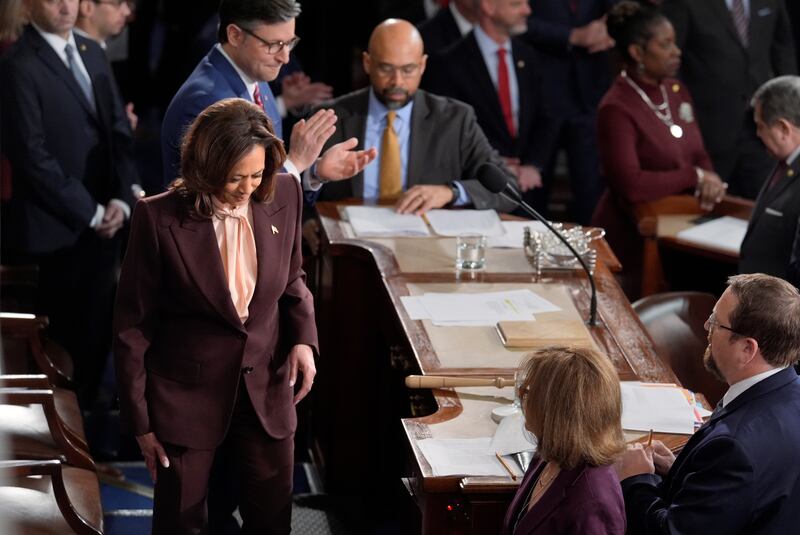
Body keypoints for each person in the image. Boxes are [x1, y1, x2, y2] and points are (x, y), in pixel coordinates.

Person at [114, 98, 317, 534]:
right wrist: (140, 422)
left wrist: (303, 339)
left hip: (266, 387)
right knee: (183, 523)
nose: (249, 188)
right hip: (184, 399)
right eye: (235, 178)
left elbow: (293, 278)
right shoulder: (157, 217)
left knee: (272, 520)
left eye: (257, 174)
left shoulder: (285, 193)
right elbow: (133, 327)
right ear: (205, 168)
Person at [0, 0, 138, 406]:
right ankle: (70, 448)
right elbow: (31, 157)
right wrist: (92, 211)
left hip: (106, 225)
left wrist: (121, 199)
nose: (65, 5)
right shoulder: (17, 66)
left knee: (99, 339)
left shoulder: (92, 51)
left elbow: (119, 132)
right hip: (56, 235)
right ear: (28, 5)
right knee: (64, 352)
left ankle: (93, 443)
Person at [618, 273, 800, 533]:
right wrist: (681, 472)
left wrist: (635, 479)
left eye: (716, 322)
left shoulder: (734, 448)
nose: (705, 325)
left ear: (747, 349)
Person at [161, 0, 376, 190]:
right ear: (235, 35)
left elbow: (267, 175)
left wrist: (315, 171)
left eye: (290, 43)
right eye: (274, 45)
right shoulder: (208, 101)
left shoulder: (254, 77)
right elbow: (237, 200)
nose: (285, 58)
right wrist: (296, 162)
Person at [313, 18, 516, 215]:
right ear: (367, 63)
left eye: (408, 69)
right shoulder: (330, 118)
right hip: (348, 244)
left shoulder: (455, 120)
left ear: (422, 65)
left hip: (425, 244)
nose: (397, 81)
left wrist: (451, 192)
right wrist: (306, 222)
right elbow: (294, 184)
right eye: (386, 68)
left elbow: (508, 190)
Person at [591, 1, 727, 296]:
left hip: (681, 228)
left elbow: (699, 152)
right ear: (637, 52)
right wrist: (694, 177)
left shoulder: (676, 90)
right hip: (632, 239)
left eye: (675, 42)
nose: (676, 51)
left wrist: (709, 181)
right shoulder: (616, 107)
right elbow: (631, 185)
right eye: (665, 44)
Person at [423, 0, 557, 206]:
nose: (527, 10)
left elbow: (547, 116)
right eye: (516, 4)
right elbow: (448, 129)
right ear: (488, 7)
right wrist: (494, 164)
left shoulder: (529, 56)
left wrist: (533, 165)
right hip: (481, 192)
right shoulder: (449, 63)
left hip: (529, 188)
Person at [662, 0, 797, 198]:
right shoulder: (685, 4)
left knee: (764, 205)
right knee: (706, 208)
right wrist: (681, 116)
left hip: (761, 130)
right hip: (707, 130)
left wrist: (790, 106)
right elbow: (669, 61)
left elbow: (782, 49)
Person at [502, 346, 626, 534]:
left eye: (530, 394)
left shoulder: (593, 503)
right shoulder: (549, 455)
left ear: (556, 413)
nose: (524, 400)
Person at [521, 0, 619, 224]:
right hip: (540, 93)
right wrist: (572, 35)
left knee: (591, 192)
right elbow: (514, 20)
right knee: (533, 190)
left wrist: (611, 27)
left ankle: (592, 254)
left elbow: (621, 8)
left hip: (590, 93)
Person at [739, 75, 800, 287]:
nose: (757, 133)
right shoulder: (784, 161)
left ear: (783, 129)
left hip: (781, 312)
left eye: (760, 125)